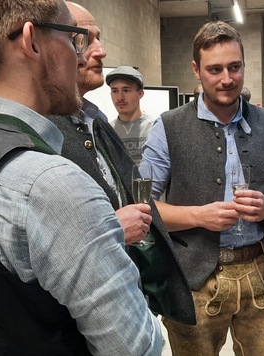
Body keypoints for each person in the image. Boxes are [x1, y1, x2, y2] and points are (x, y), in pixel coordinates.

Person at [0, 0, 163, 354]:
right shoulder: (52, 185)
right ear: (32, 41)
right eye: (75, 39)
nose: (84, 55)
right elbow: (132, 347)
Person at [142, 20, 264, 355]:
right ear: (196, 70)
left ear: (244, 65)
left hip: (263, 275)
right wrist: (200, 216)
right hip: (195, 281)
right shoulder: (167, 128)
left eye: (235, 67)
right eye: (215, 69)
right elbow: (142, 208)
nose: (227, 79)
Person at [47, 1, 195, 326]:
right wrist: (114, 227)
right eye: (83, 39)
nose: (100, 50)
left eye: (127, 89)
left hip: (124, 287)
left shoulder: (93, 118)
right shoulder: (40, 128)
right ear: (40, 46)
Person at [107, 65, 155, 165]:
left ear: (140, 94)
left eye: (126, 90)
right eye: (115, 91)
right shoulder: (108, 131)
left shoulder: (154, 128)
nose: (120, 97)